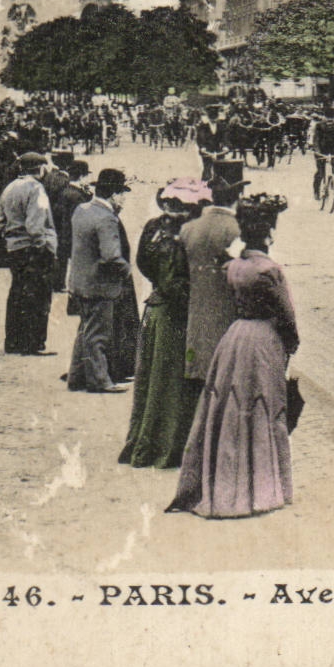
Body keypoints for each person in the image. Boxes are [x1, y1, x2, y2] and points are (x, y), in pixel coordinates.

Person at [169, 193, 299, 518]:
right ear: (269, 233)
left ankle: (229, 479)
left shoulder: (234, 267)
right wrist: (289, 344)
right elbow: (288, 318)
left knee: (231, 404)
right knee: (265, 405)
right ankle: (263, 487)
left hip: (235, 337)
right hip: (263, 339)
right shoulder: (270, 271)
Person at [120, 178, 211, 469]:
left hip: (157, 309)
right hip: (181, 315)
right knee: (177, 380)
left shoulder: (153, 228)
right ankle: (172, 445)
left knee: (154, 378)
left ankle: (148, 440)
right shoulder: (189, 233)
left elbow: (144, 264)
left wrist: (160, 283)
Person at [65, 168, 132, 393]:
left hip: (79, 281)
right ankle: (99, 380)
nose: (124, 198)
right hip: (99, 285)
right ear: (113, 195)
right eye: (122, 192)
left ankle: (75, 377)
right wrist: (127, 270)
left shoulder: (82, 210)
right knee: (98, 335)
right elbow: (111, 256)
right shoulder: (107, 219)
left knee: (84, 330)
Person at [182, 162, 245, 388]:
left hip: (196, 320)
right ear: (239, 195)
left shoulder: (189, 228)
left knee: (200, 379)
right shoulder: (238, 230)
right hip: (228, 320)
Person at [0, 152, 58, 356]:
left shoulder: (10, 187)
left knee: (17, 294)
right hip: (33, 248)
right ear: (39, 168)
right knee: (37, 296)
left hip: (14, 247)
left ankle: (13, 341)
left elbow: (1, 221)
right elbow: (35, 224)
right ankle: (33, 343)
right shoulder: (37, 189)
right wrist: (42, 246)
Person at [51, 160, 91, 292]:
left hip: (62, 231)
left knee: (62, 257)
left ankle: (59, 282)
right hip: (72, 232)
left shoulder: (65, 190)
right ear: (81, 176)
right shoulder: (77, 196)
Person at [309, 105, 334, 201]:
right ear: (324, 117)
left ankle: (331, 182)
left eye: (331, 118)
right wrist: (317, 150)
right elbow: (316, 139)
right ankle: (316, 191)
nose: (329, 120)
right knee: (320, 172)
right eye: (328, 117)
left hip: (333, 150)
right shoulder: (319, 126)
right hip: (321, 151)